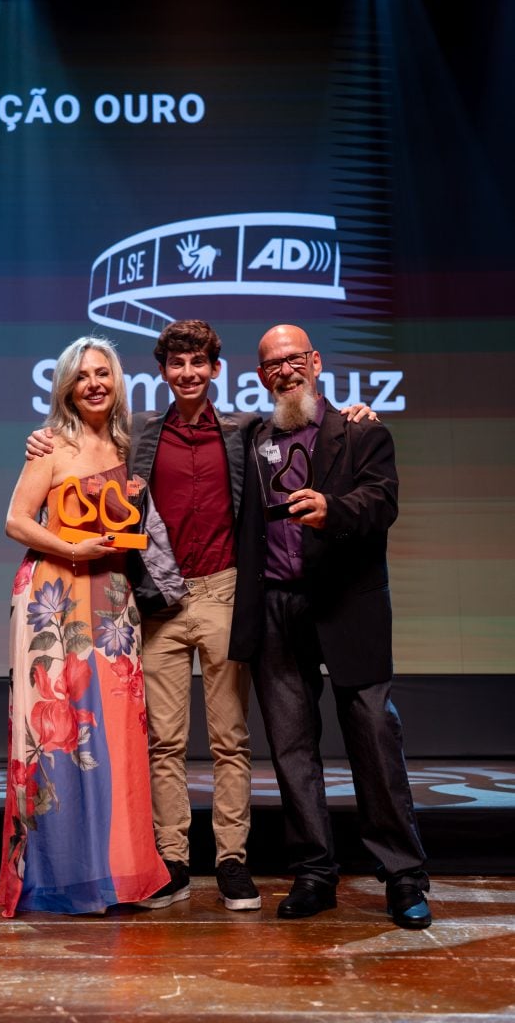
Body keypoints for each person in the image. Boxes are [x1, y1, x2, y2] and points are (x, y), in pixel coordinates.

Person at [26, 321, 373, 913]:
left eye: (198, 363)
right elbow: (86, 446)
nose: (187, 373)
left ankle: (232, 861)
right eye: (176, 364)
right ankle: (174, 858)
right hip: (159, 600)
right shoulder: (138, 436)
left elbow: (311, 428)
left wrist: (355, 411)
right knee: (163, 743)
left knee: (230, 740)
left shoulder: (247, 431)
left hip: (225, 593)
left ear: (216, 370)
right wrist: (44, 439)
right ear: (162, 373)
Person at [228, 324, 431, 929]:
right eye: (271, 365)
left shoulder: (362, 431)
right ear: (261, 376)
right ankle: (315, 872)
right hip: (276, 608)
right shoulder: (252, 438)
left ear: (315, 362)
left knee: (373, 738)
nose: (284, 371)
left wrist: (333, 510)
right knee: (291, 748)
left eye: (293, 359)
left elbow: (382, 502)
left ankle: (402, 877)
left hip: (347, 604)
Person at [0, 336, 169, 917]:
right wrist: (74, 548)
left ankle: (116, 872)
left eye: (104, 373)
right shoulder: (51, 445)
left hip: (113, 598)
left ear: (117, 381)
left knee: (117, 732)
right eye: (82, 375)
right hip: (54, 597)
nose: (94, 383)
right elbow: (16, 521)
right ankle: (58, 875)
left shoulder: (129, 442)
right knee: (59, 735)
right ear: (66, 385)